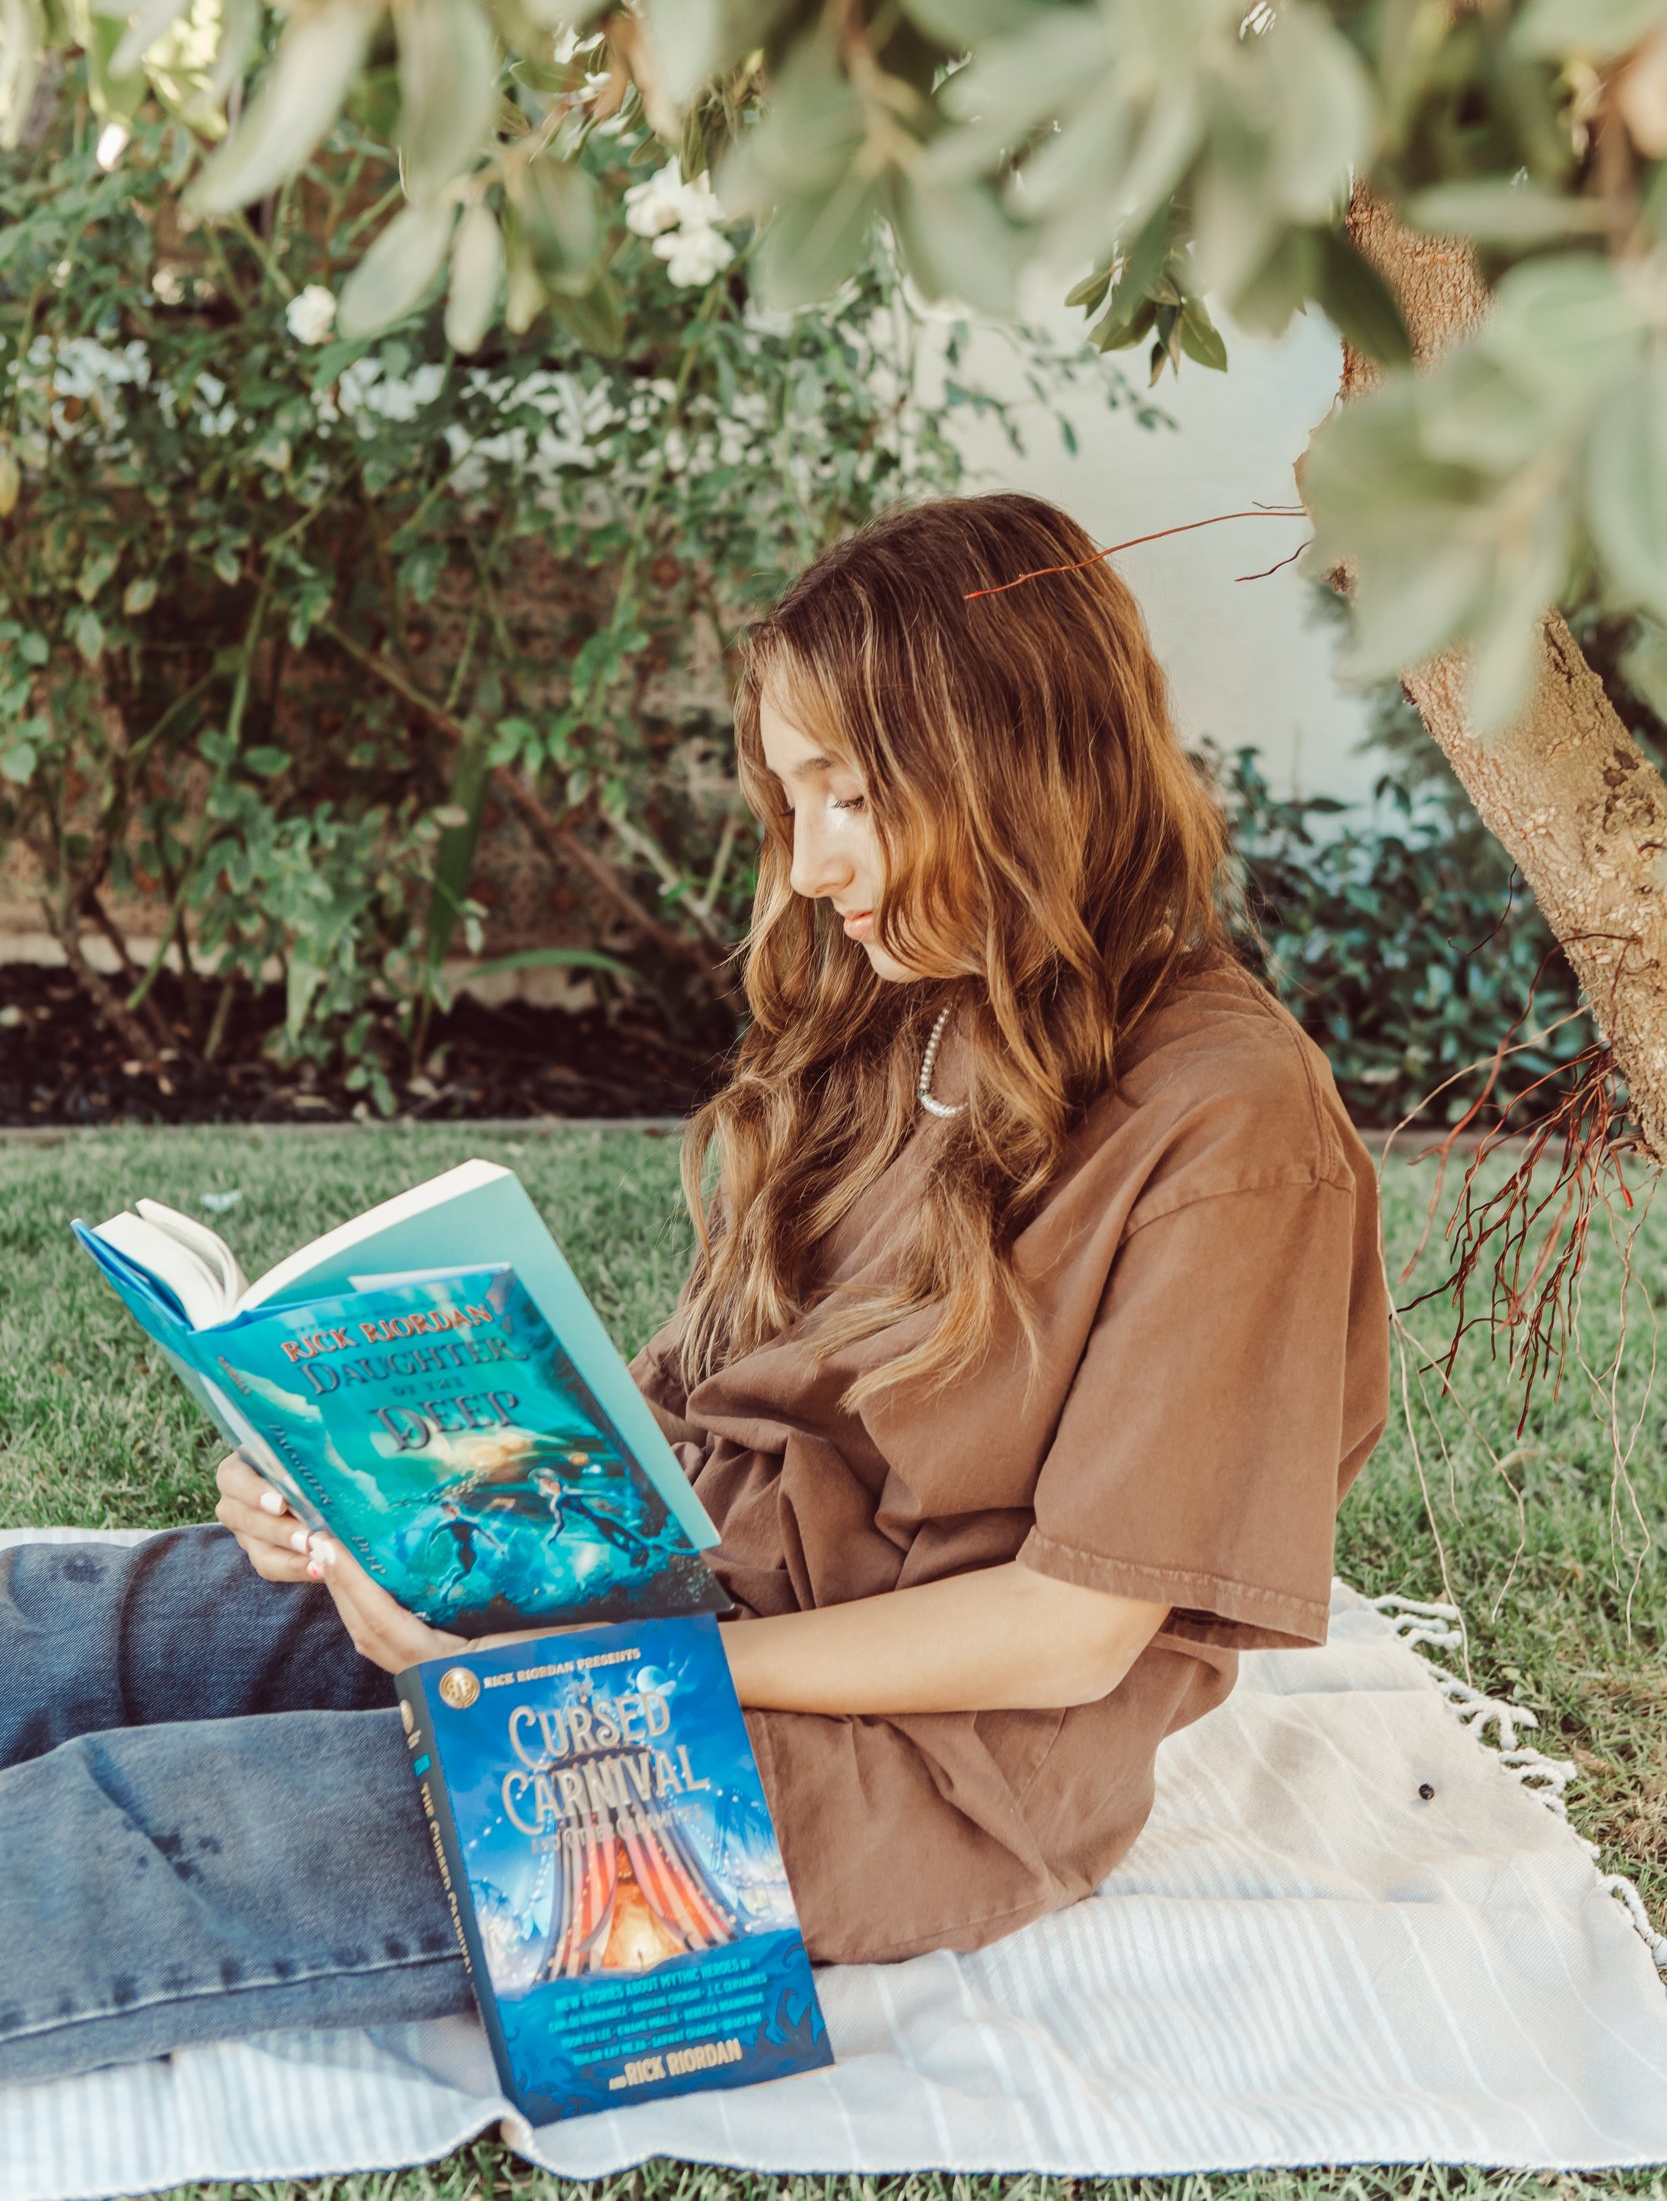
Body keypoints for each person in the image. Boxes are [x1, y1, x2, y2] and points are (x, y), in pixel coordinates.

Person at [0, 492, 1388, 2086]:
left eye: (851, 795)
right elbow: (681, 1412)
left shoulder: (1234, 1126)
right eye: (790, 802)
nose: (808, 868)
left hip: (903, 1763)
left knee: (160, 1836)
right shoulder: (908, 1003)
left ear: (1019, 760)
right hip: (679, 1590)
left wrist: (587, 1678)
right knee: (87, 1627)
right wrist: (357, 1486)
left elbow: (1073, 1635)